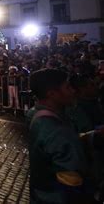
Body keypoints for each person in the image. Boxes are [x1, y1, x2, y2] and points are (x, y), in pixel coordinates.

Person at [27, 68, 93, 203]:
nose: (73, 91)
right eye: (67, 87)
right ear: (52, 94)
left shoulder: (36, 114)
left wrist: (91, 136)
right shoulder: (55, 129)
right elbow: (72, 184)